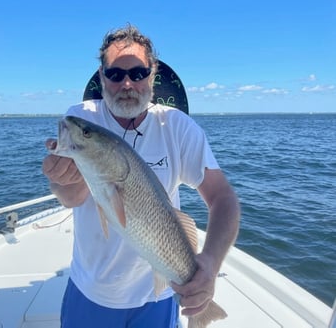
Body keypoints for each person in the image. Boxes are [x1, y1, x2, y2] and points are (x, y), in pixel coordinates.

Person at [42, 24, 240, 328]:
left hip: (158, 297)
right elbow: (73, 198)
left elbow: (223, 198)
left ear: (152, 73)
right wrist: (60, 180)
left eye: (137, 73)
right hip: (93, 291)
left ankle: (203, 313)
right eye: (115, 74)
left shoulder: (178, 127)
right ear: (102, 75)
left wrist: (210, 265)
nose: (127, 84)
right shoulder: (82, 118)